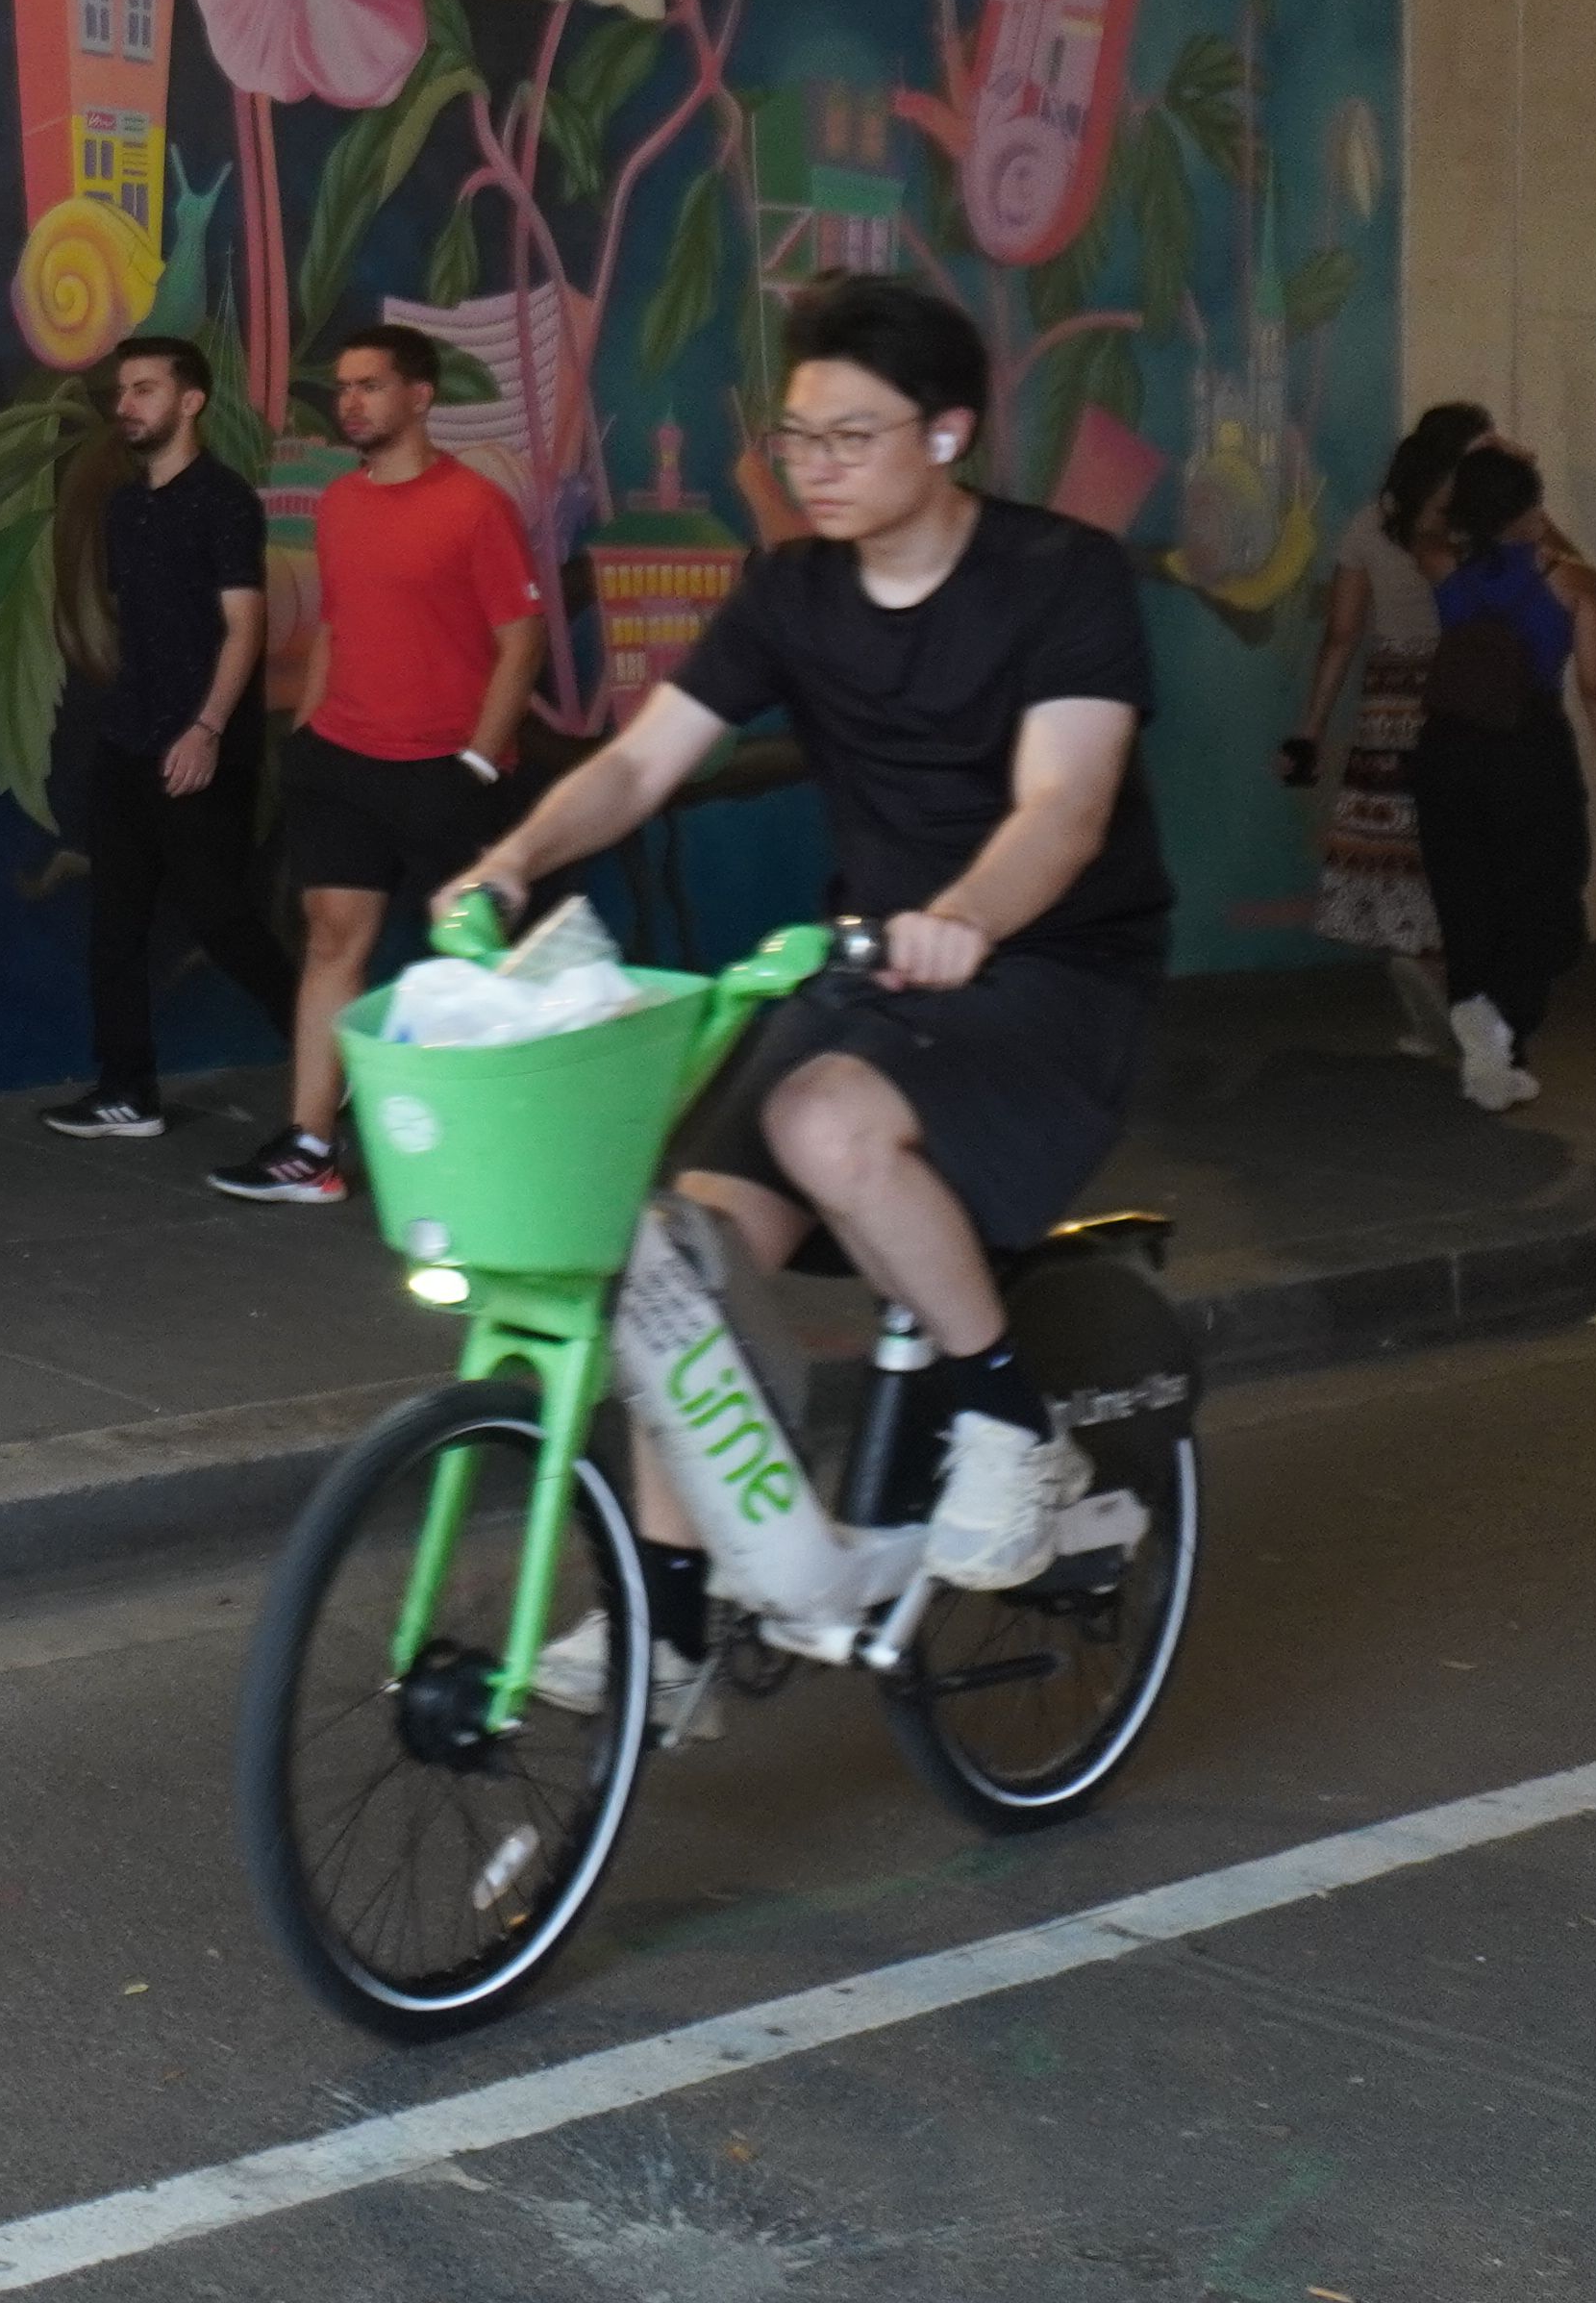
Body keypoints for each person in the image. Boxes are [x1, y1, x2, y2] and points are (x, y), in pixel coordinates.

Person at [448, 277, 1171, 1693]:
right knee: (682, 1274)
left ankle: (1012, 1424)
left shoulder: (1058, 576)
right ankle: (671, 1633)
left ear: (948, 433)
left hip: (1048, 972)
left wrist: (964, 916)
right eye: (799, 438)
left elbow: (1065, 804)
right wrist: (516, 856)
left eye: (854, 437)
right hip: (870, 971)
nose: (819, 468)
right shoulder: (788, 591)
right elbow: (646, 762)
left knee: (827, 1123)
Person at [214, 318, 539, 1207]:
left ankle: (496, 1163)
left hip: (445, 772)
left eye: (369, 386)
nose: (350, 401)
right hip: (343, 765)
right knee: (330, 943)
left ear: (419, 396)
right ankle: (310, 1148)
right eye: (344, 388)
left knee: (470, 961)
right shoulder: (342, 503)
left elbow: (521, 642)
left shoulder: (475, 506)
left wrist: (476, 762)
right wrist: (312, 732)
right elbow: (337, 625)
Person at [49, 333, 296, 1141]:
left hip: (202, 747)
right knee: (113, 925)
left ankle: (333, 1058)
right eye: (122, 391)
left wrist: (207, 730)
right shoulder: (126, 507)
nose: (126, 405)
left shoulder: (224, 501)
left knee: (221, 917)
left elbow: (244, 628)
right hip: (128, 739)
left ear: (190, 402)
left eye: (145, 390)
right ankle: (128, 1092)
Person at [1411, 441, 1596, 1113]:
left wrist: (1466, 471)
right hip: (1528, 750)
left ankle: (1490, 1053)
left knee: (1466, 899)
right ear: (1533, 505)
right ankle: (1502, 1020)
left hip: (1445, 749)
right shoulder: (1572, 580)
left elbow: (1426, 522)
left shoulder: (1443, 561)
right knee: (1547, 895)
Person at [1280, 403, 1485, 1058]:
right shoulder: (1482, 528)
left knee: (1399, 843)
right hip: (1468, 692)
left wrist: (1309, 729)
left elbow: (1340, 636)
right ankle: (1462, 994)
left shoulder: (1371, 524)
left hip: (1391, 704)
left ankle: (1423, 967)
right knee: (1466, 840)